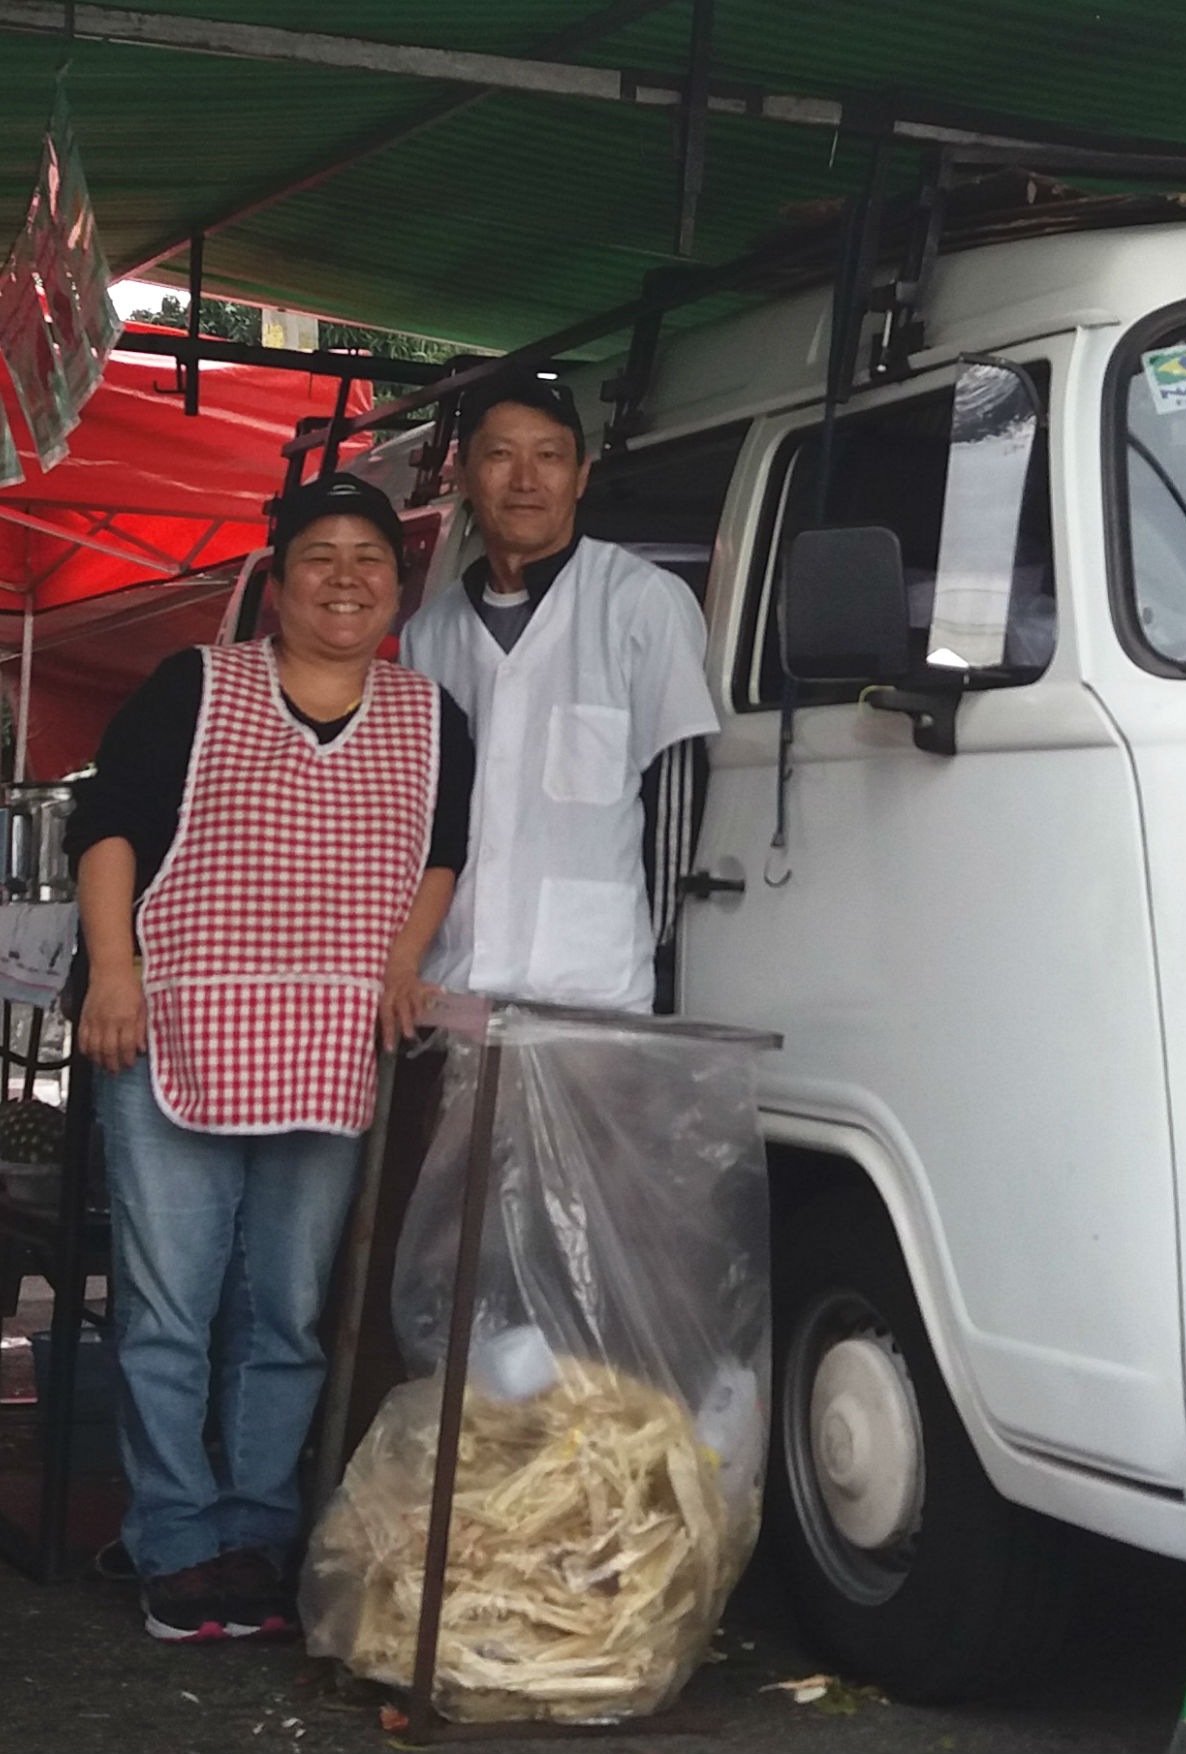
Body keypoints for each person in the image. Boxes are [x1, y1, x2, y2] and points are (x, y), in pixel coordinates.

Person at [70, 474, 474, 1642]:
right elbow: (110, 825)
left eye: (370, 558)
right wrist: (113, 968)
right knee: (169, 1309)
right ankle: (175, 1540)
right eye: (319, 557)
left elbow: (440, 852)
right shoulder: (194, 685)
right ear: (277, 583)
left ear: (399, 585)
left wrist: (403, 961)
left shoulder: (430, 714)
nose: (346, 578)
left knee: (287, 1313)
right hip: (174, 1027)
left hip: (329, 1040)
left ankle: (255, 1529)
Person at [400, 374, 717, 1014]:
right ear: (463, 474)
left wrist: (662, 951)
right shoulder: (429, 634)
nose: (525, 479)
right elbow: (414, 818)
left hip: (593, 985)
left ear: (580, 476)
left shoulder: (640, 601)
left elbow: (676, 788)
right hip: (452, 983)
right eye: (500, 455)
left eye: (549, 456)